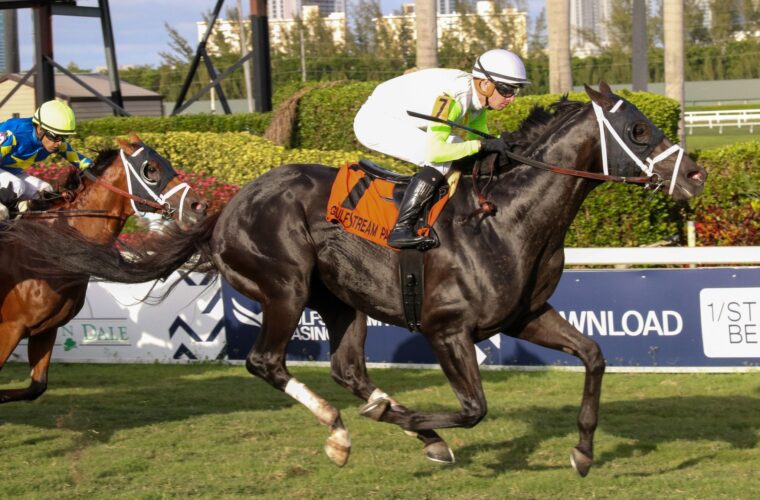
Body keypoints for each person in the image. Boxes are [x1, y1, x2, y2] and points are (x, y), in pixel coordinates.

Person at [354, 48, 530, 249]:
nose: (512, 98)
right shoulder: (452, 98)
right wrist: (482, 145)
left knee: (460, 146)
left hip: (396, 115)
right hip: (375, 122)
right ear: (485, 84)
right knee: (444, 157)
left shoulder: (478, 99)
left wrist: (506, 146)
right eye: (507, 90)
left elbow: (481, 141)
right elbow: (435, 151)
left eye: (515, 91)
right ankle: (402, 229)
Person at [0, 100, 93, 220]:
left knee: (45, 192)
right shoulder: (13, 135)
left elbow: (81, 161)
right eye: (55, 137)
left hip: (9, 171)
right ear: (40, 129)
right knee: (16, 185)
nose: (59, 143)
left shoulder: (55, 142)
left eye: (64, 137)